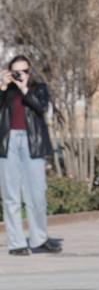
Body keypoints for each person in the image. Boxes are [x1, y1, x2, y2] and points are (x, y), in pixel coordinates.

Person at [1, 55, 59, 255]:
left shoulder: (39, 88)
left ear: (30, 72)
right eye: (16, 71)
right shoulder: (5, 91)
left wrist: (25, 87)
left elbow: (42, 107)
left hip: (32, 142)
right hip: (8, 144)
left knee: (37, 194)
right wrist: (2, 86)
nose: (20, 75)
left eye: (25, 71)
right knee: (11, 196)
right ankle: (16, 244)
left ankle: (39, 239)